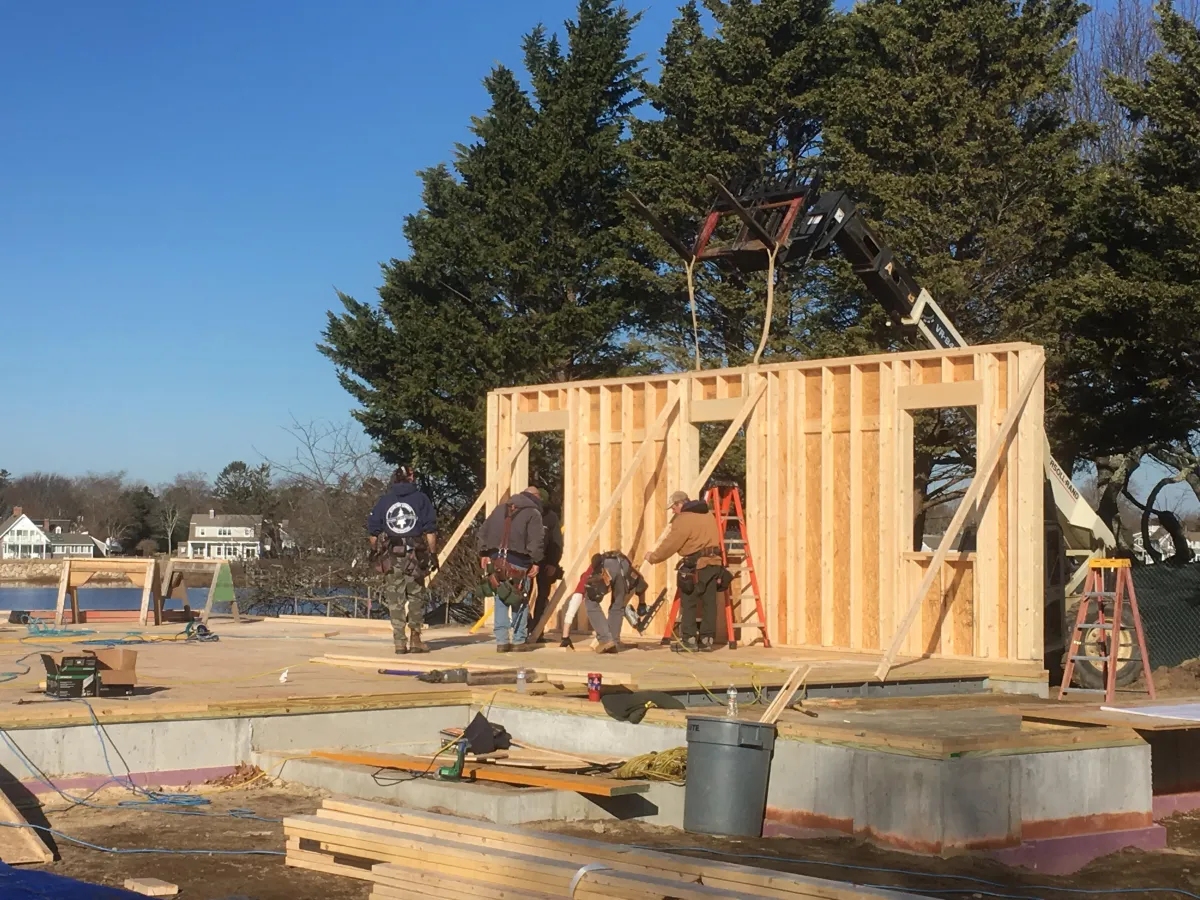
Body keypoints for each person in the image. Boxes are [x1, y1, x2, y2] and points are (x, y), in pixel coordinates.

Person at [366, 465, 438, 655]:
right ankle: (415, 638)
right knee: (415, 596)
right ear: (411, 477)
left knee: (395, 599)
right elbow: (430, 530)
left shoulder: (385, 501)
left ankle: (399, 642)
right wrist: (432, 553)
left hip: (392, 556)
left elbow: (373, 531)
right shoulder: (421, 499)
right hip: (415, 555)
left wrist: (374, 551)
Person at [641, 490, 724, 653]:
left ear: (680, 504)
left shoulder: (684, 519)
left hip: (696, 566)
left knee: (689, 603)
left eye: (673, 507)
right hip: (714, 564)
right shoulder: (708, 514)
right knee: (709, 603)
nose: (673, 511)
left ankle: (689, 640)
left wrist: (653, 557)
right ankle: (707, 640)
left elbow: (671, 544)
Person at [477, 486, 545, 652]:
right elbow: (536, 541)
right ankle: (518, 640)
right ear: (536, 497)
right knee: (519, 599)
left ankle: (501, 641)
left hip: (496, 562)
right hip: (519, 562)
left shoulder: (500, 509)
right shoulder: (533, 513)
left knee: (501, 599)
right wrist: (536, 561)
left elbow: (483, 531)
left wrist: (484, 552)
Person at [559, 551, 647, 652]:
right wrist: (642, 604)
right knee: (618, 605)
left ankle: (606, 640)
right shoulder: (623, 561)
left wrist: (565, 637)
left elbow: (575, 600)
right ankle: (614, 641)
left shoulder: (587, 576)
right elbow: (641, 583)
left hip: (608, 567)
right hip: (623, 565)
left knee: (590, 601)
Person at [531, 505, 563, 642]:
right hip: (527, 562)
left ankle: (537, 631)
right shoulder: (526, 513)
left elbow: (556, 542)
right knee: (522, 597)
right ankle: (528, 628)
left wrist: (553, 563)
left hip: (544, 563)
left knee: (542, 596)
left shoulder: (550, 517)